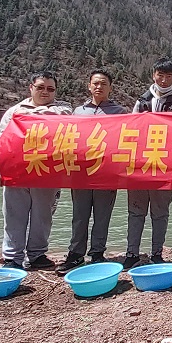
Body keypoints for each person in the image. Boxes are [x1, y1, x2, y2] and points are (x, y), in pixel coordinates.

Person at [0, 71, 72, 269]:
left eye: (50, 89)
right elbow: (0, 142)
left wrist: (32, 116)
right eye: (40, 87)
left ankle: (37, 255)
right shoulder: (14, 112)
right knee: (13, 215)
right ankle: (12, 257)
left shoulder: (64, 110)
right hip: (16, 173)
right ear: (31, 88)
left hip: (47, 174)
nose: (45, 92)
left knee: (43, 216)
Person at [56, 70, 128, 275]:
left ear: (110, 88)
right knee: (79, 215)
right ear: (89, 86)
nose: (99, 87)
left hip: (107, 172)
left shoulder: (120, 112)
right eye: (95, 83)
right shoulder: (78, 112)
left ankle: (97, 253)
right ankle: (75, 254)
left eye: (103, 83)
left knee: (102, 215)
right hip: (81, 172)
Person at [123, 58, 172, 269]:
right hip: (140, 166)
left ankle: (157, 253)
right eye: (160, 75)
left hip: (164, 166)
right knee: (136, 211)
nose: (164, 80)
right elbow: (130, 131)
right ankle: (132, 253)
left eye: (169, 76)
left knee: (160, 213)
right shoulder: (141, 101)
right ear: (153, 75)